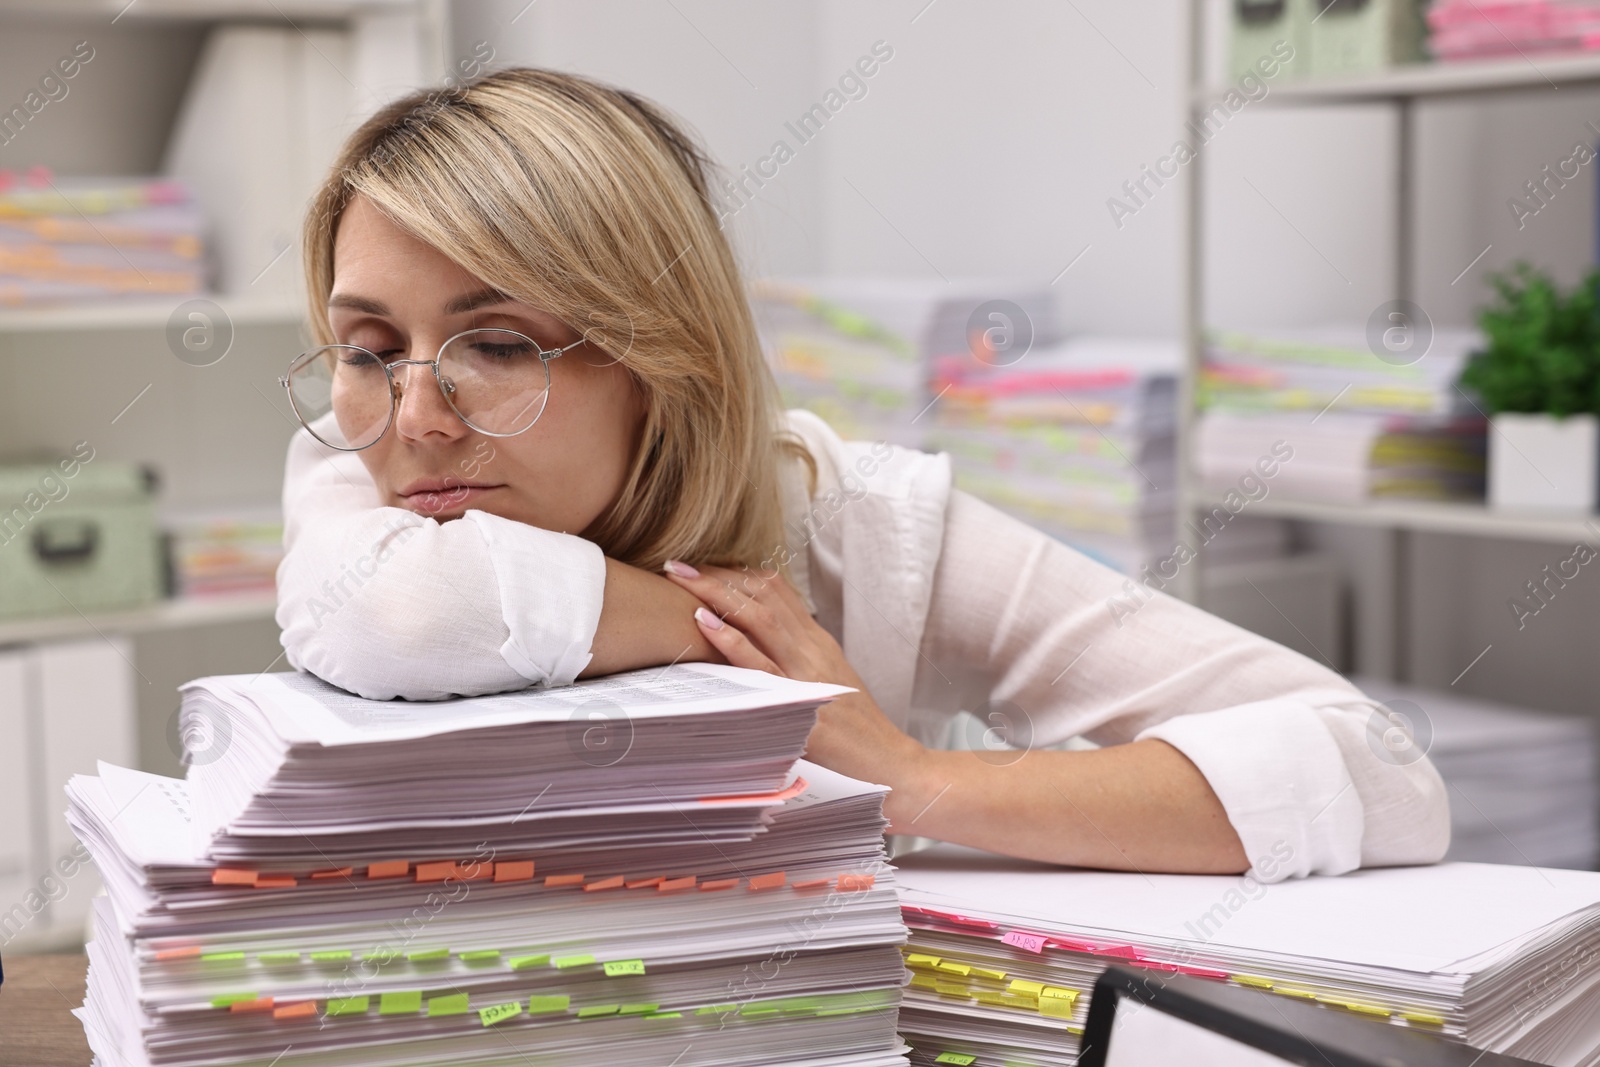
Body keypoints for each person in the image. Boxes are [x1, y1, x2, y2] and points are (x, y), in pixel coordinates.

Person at [275, 68, 1448, 885]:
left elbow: (1378, 769)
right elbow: (405, 608)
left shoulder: (852, 522)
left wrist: (910, 777)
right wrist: (706, 630)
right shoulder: (350, 471)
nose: (415, 416)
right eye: (368, 348)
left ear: (656, 357)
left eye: (497, 344)